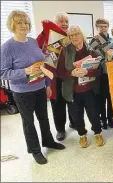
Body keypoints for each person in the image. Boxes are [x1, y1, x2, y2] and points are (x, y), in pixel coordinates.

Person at [0, 10, 65, 165]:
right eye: (19, 22)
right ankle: (35, 150)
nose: (23, 25)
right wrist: (25, 71)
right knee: (28, 122)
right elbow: (3, 73)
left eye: (26, 22)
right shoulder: (7, 47)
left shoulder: (32, 42)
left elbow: (42, 64)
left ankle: (48, 141)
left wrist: (47, 84)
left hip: (39, 88)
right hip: (22, 92)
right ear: (12, 25)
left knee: (43, 117)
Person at [57, 25, 104, 148]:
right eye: (71, 35)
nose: (74, 37)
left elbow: (99, 71)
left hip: (90, 90)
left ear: (82, 35)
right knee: (77, 115)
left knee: (93, 113)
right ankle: (82, 135)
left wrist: (87, 72)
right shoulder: (65, 51)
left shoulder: (91, 50)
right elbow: (59, 72)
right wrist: (71, 73)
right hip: (72, 91)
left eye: (76, 33)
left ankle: (97, 133)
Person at [36, 12, 75, 141]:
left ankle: (73, 122)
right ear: (56, 23)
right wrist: (44, 31)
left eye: (66, 21)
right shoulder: (48, 35)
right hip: (53, 77)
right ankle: (60, 129)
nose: (64, 24)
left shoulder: (71, 35)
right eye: (61, 21)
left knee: (71, 100)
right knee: (57, 104)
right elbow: (37, 44)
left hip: (69, 75)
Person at [90, 18, 113, 129]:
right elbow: (95, 56)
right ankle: (103, 120)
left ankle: (110, 119)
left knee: (111, 98)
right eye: (100, 26)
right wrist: (106, 56)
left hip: (111, 73)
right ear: (97, 28)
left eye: (105, 26)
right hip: (100, 74)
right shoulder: (93, 40)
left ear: (108, 27)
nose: (103, 28)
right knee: (101, 99)